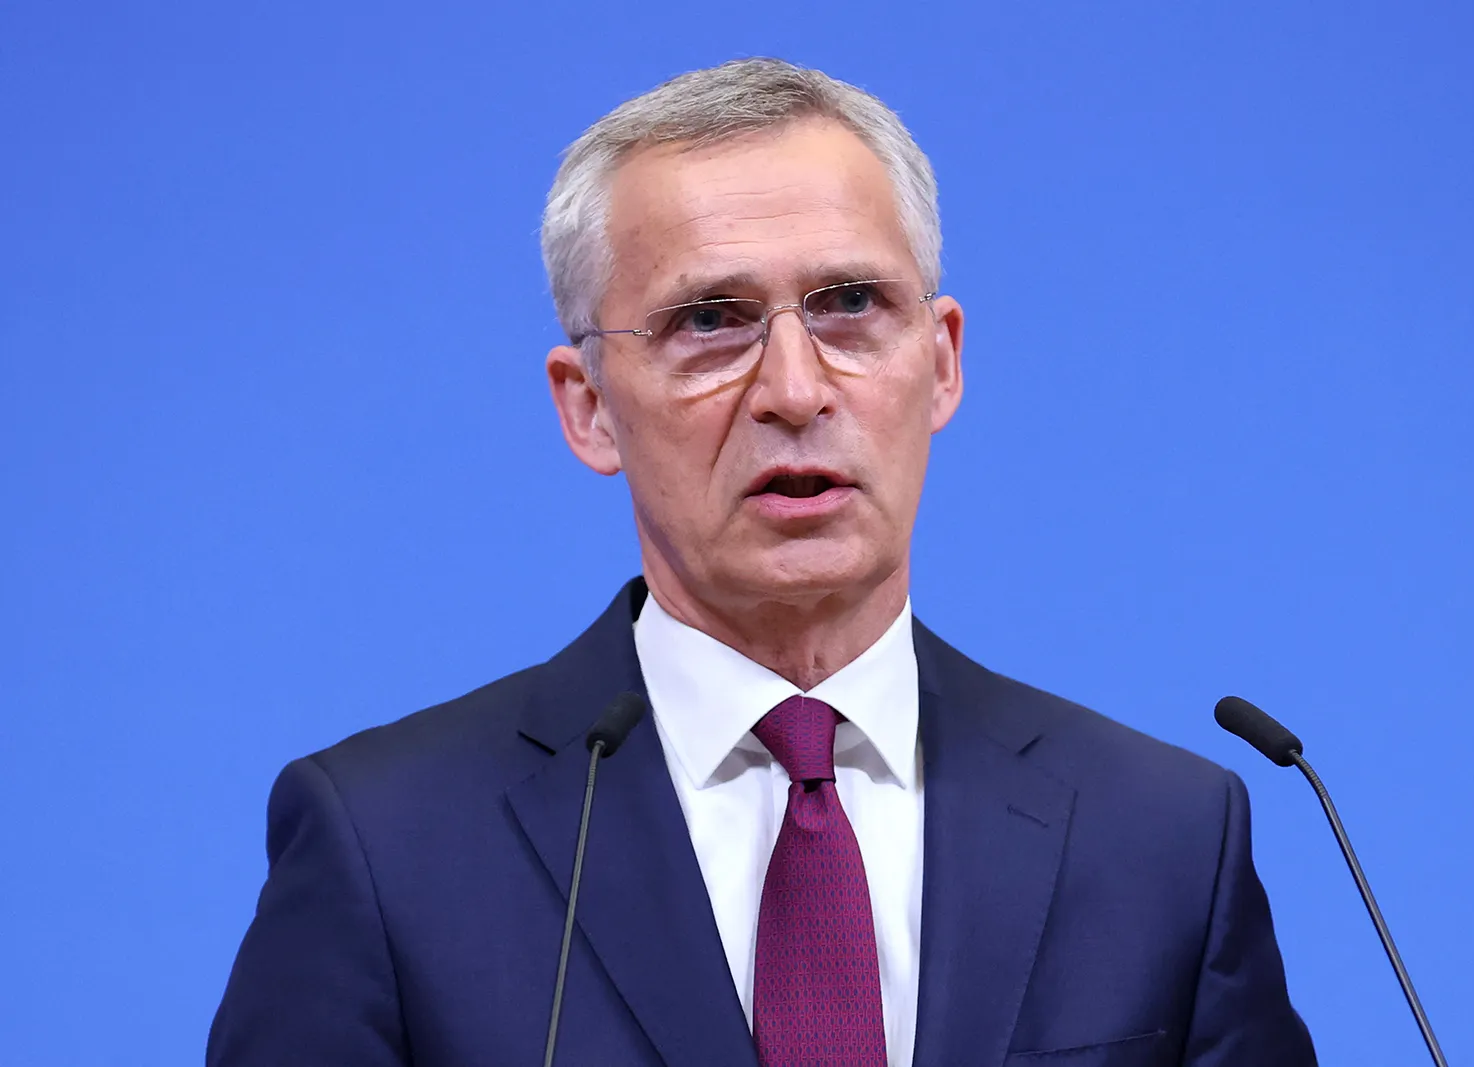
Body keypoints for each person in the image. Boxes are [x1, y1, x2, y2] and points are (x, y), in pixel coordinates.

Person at [208, 58, 1316, 1067]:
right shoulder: (387, 847)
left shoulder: (1162, 837)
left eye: (849, 306)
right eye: (710, 320)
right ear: (588, 407)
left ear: (939, 365)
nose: (794, 388)